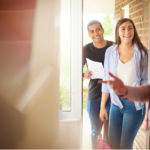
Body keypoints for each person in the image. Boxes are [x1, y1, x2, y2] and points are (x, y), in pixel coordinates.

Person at [99, 18, 148, 149]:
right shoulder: (110, 52)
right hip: (115, 104)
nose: (127, 31)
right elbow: (106, 80)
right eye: (123, 28)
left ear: (134, 30)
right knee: (113, 144)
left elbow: (144, 80)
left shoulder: (143, 53)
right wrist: (103, 106)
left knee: (125, 145)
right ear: (118, 32)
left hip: (134, 106)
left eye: (130, 28)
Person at [82, 20, 113, 149]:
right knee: (95, 131)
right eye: (92, 31)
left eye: (98, 29)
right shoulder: (86, 49)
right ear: (89, 34)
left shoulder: (113, 47)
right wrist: (84, 74)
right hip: (94, 96)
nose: (96, 33)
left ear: (103, 30)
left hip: (112, 97)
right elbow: (78, 71)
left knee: (110, 132)